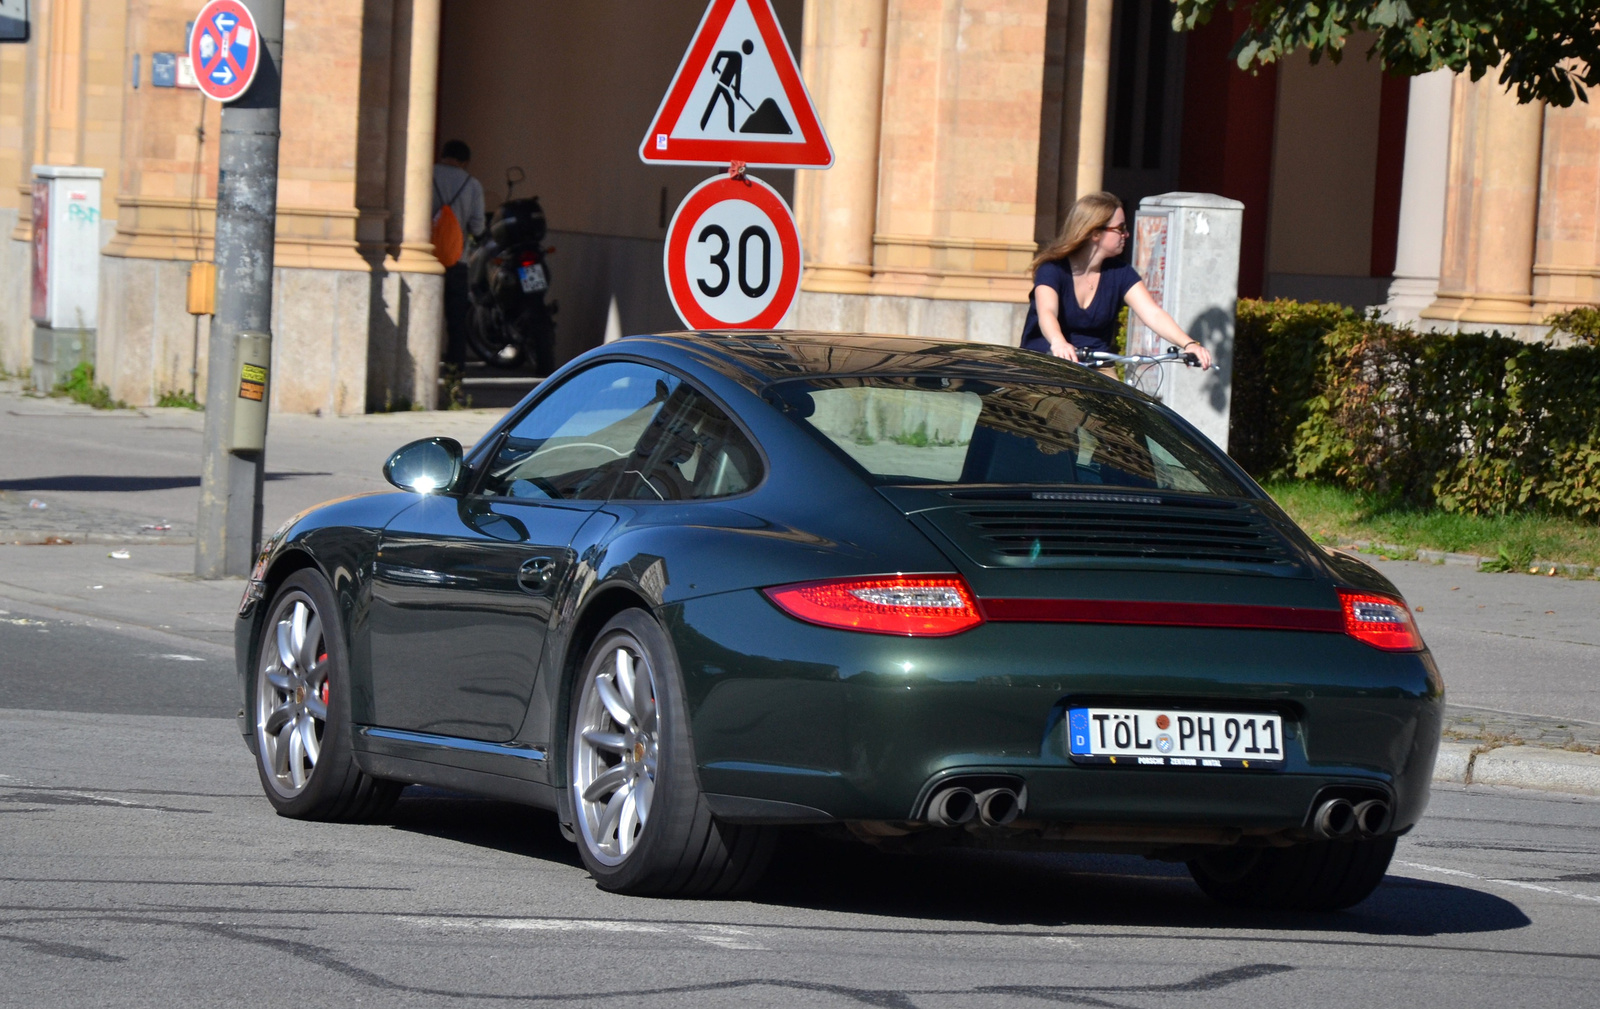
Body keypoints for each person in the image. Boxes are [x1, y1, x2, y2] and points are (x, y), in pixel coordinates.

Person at [1020, 191, 1213, 369]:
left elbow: (1153, 313)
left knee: (1122, 404)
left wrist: (1188, 344)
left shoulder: (1120, 273)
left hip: (1095, 367)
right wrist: (1058, 342)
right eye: (1120, 228)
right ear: (1095, 233)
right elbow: (1047, 312)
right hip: (1047, 363)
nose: (1126, 234)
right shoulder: (1053, 270)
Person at [433, 140, 485, 371]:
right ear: (465, 162)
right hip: (457, 260)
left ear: (443, 155)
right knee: (456, 323)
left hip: (425, 258)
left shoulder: (426, 174)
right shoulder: (472, 185)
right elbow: (478, 227)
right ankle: (455, 378)